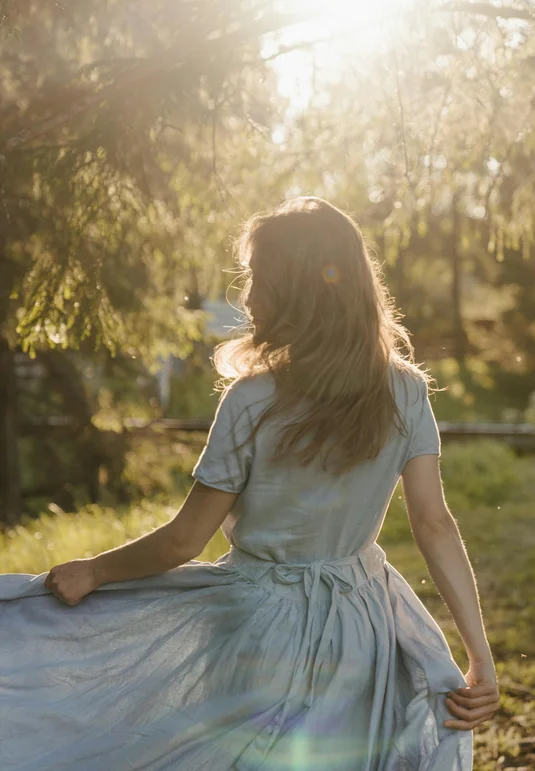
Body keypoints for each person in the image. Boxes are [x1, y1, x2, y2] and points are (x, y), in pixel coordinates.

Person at [0, 196, 499, 770]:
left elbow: (185, 540)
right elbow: (433, 524)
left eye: (259, 279)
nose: (247, 297)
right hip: (362, 619)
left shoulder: (254, 400)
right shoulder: (405, 389)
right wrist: (479, 656)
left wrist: (94, 571)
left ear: (297, 292)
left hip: (258, 625)